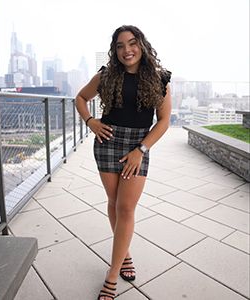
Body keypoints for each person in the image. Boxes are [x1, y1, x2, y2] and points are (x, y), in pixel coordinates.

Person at [75, 24, 171, 300]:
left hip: (137, 147)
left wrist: (141, 149)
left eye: (131, 43)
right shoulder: (106, 75)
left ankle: (112, 274)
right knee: (114, 202)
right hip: (107, 142)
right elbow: (80, 98)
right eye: (119, 46)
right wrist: (91, 122)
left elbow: (164, 121)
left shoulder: (159, 78)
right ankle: (125, 254)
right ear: (114, 50)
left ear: (141, 45)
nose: (126, 50)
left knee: (126, 207)